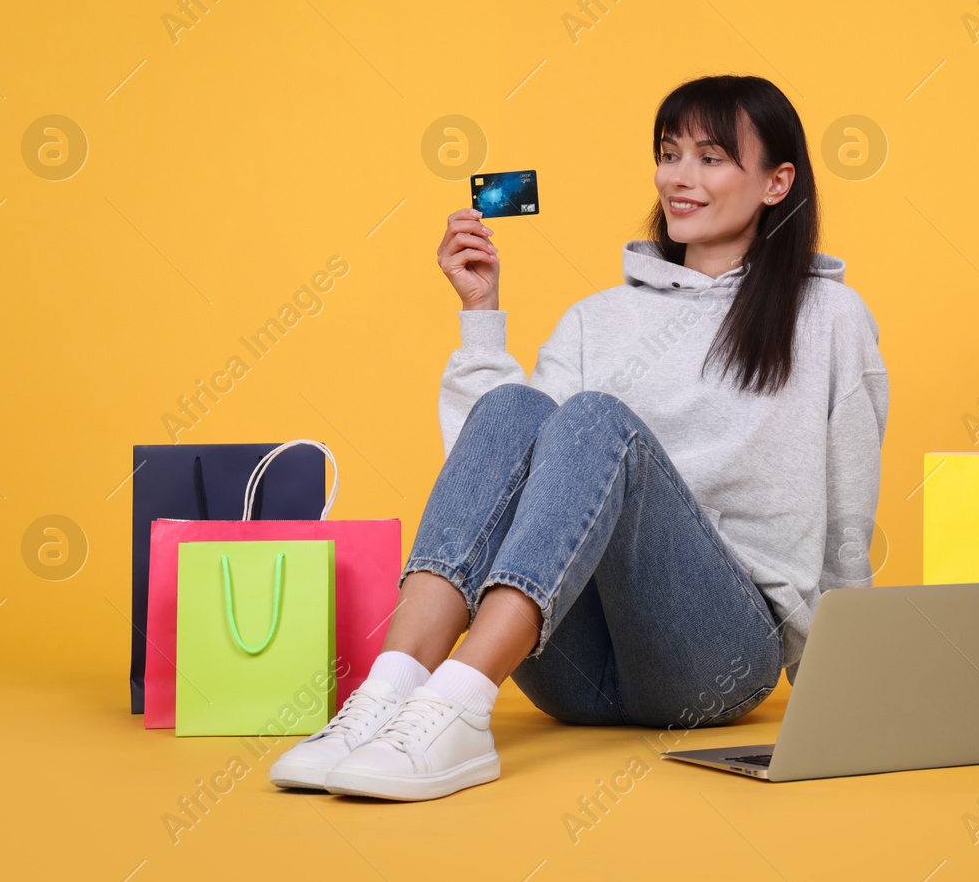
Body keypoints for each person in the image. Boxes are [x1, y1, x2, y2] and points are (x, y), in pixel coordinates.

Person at [270, 74, 888, 800]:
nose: (678, 178)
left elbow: (848, 519)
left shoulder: (830, 318)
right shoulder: (596, 317)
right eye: (668, 152)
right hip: (569, 665)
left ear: (777, 181)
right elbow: (495, 486)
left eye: (711, 157)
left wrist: (846, 701)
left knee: (595, 418)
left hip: (715, 654)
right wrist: (481, 313)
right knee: (510, 409)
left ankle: (457, 702)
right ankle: (386, 696)